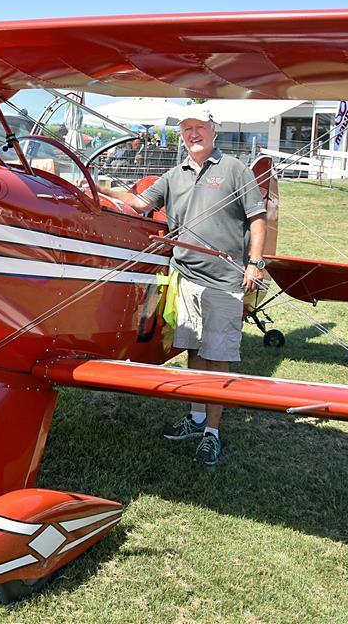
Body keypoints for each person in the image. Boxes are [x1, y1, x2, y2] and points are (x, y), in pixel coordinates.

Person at [99, 112, 266, 466]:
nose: (193, 134)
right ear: (181, 135)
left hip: (225, 279)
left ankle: (213, 434)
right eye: (187, 129)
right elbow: (140, 203)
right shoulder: (174, 176)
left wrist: (255, 262)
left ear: (213, 130)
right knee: (193, 349)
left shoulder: (236, 168)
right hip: (187, 277)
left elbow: (257, 216)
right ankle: (197, 415)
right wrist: (97, 187)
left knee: (218, 356)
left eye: (199, 128)